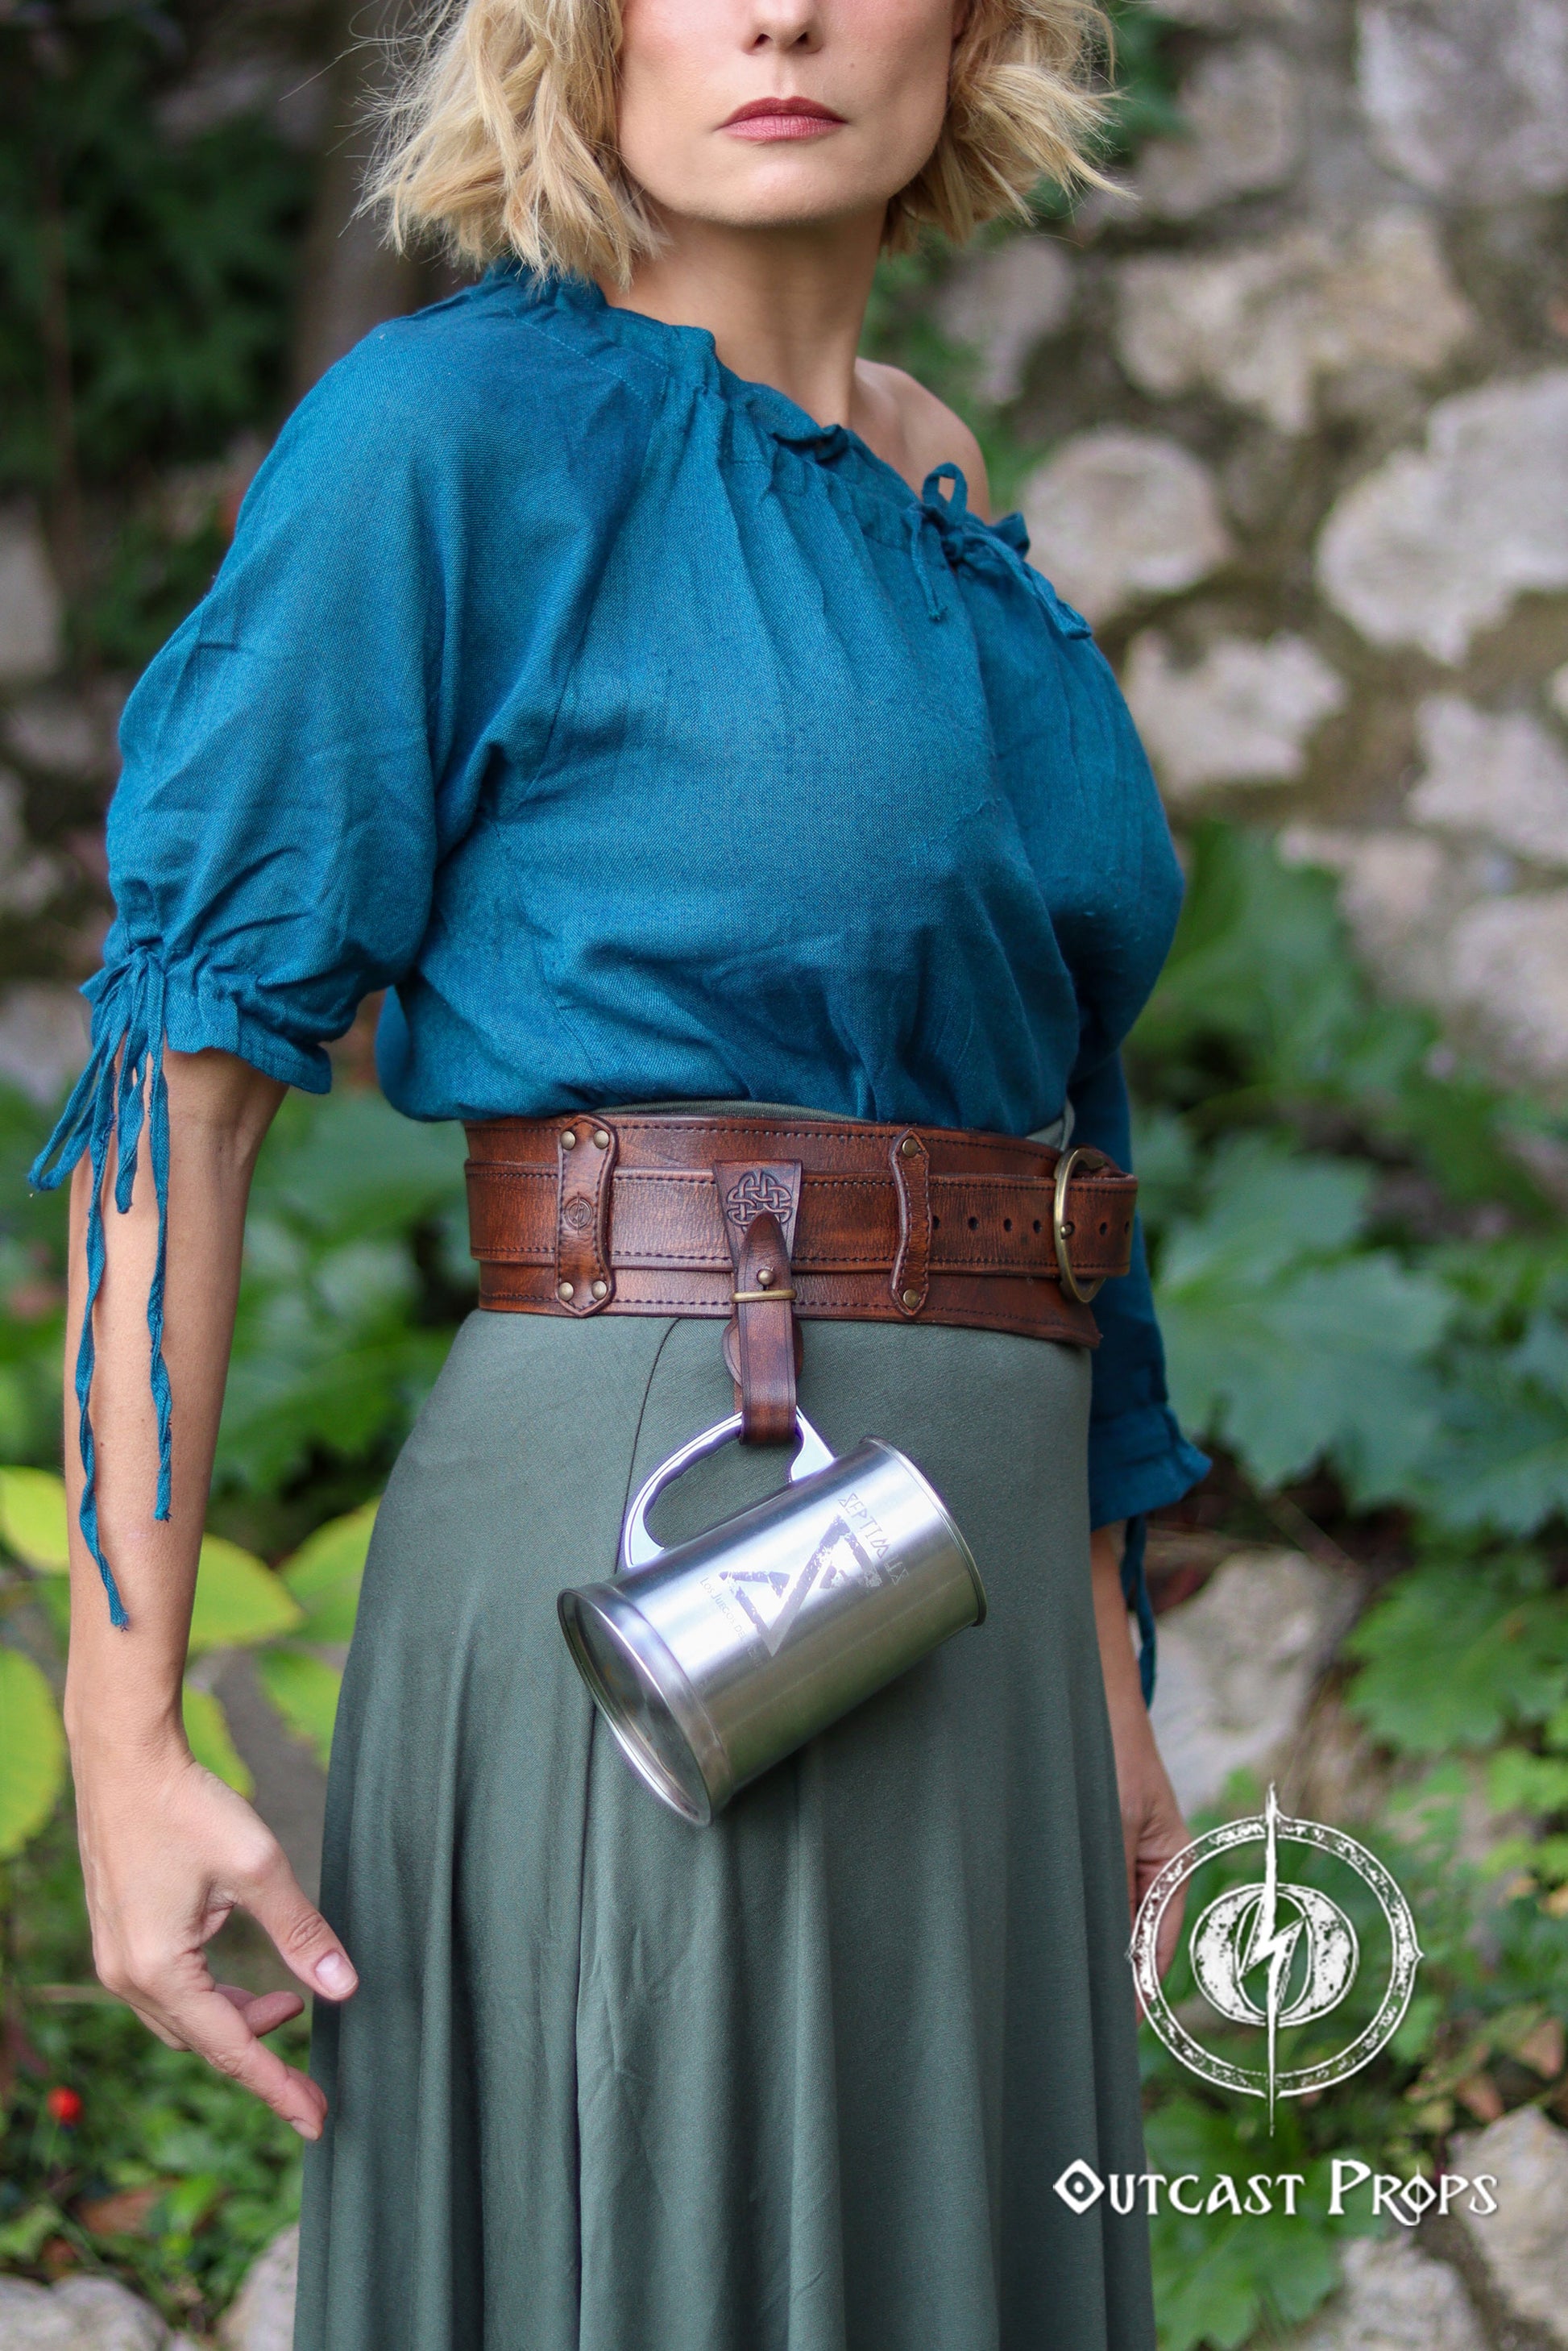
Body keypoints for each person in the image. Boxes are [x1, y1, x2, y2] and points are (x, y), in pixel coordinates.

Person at [34, 2, 1211, 2345]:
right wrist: (121, 1728)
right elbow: (186, 1072)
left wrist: (1102, 1670)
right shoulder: (454, 432)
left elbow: (1048, 1114)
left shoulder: (935, 478)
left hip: (976, 1577)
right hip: (681, 1515)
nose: (776, 16)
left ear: (975, 27)